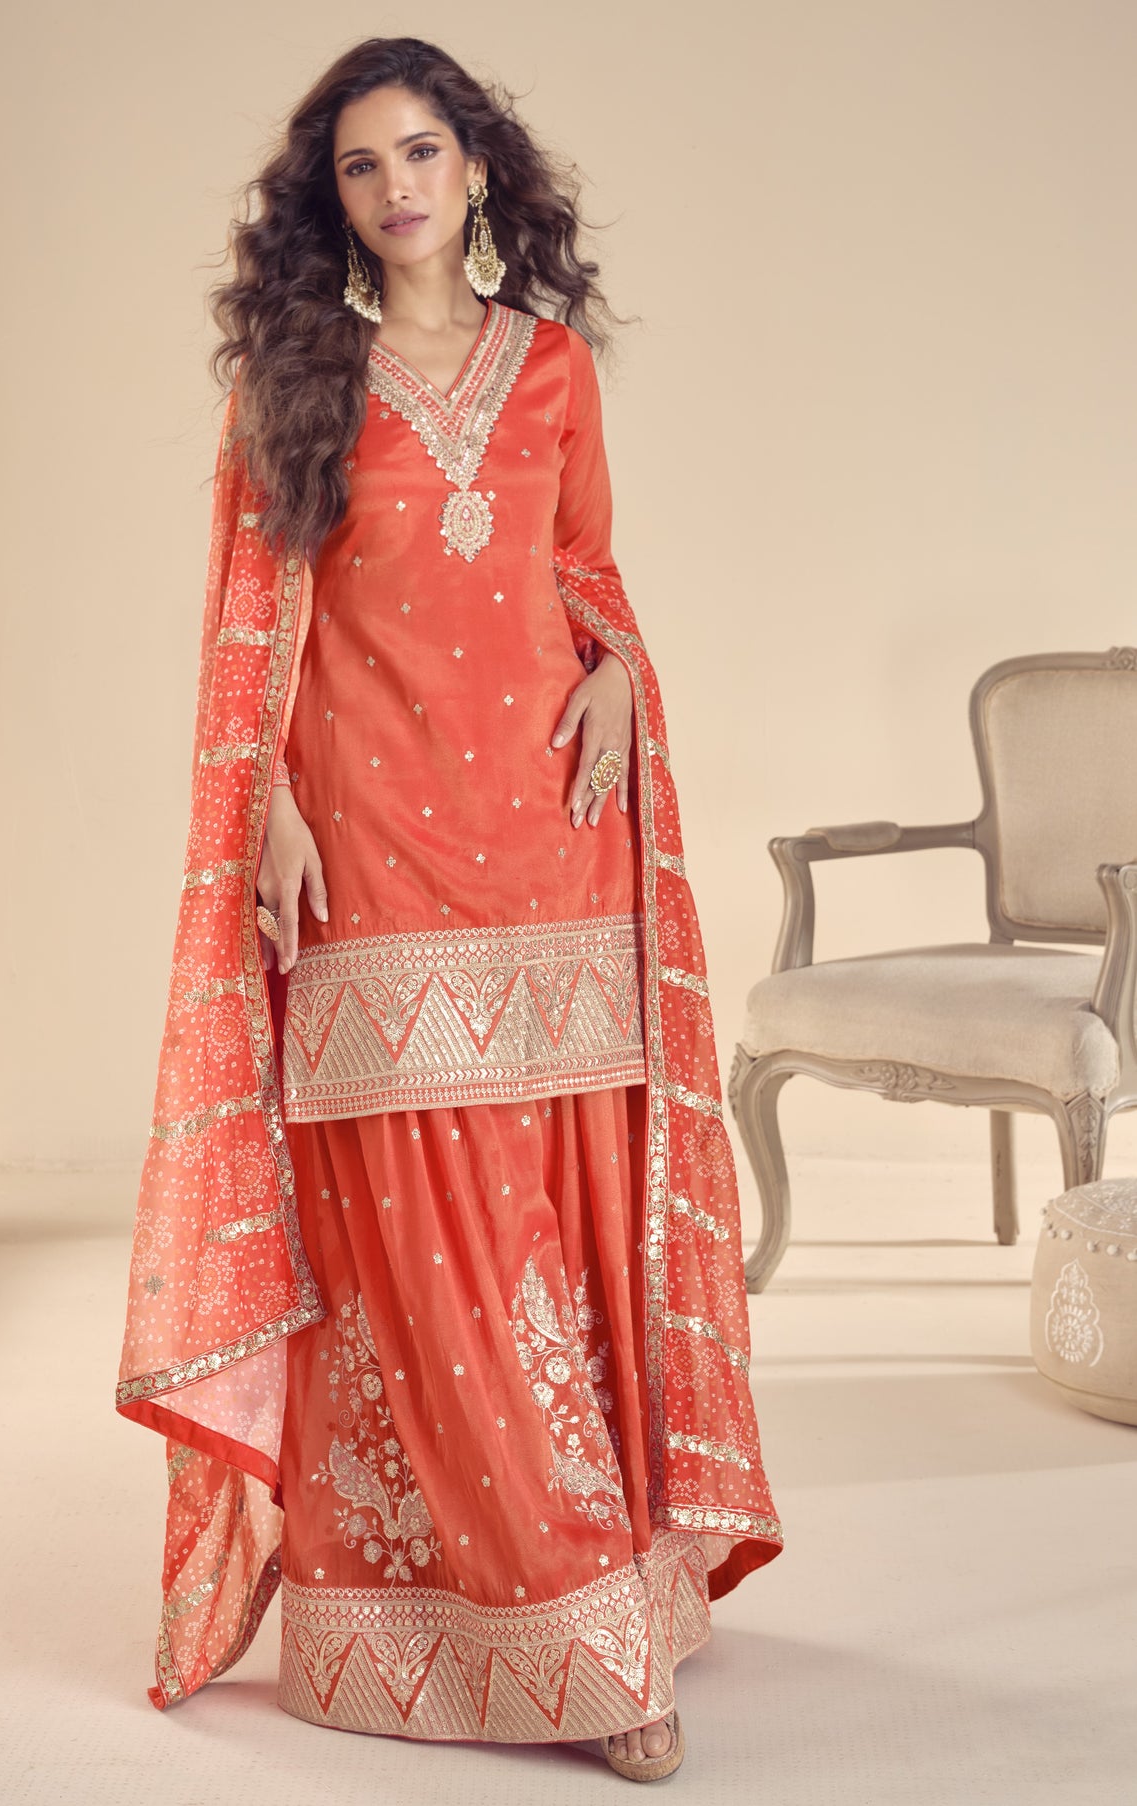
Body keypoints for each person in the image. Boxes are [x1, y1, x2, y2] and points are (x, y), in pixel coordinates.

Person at [116, 36, 781, 1784]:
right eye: (360, 163)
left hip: (549, 847)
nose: (397, 185)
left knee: (549, 1235)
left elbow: (585, 571)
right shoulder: (295, 374)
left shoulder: (550, 369)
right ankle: (577, 1644)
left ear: (476, 169)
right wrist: (257, 807)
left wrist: (624, 680)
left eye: (422, 151)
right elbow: (250, 620)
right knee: (430, 1250)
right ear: (326, 199)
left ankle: (587, 1591)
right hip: (367, 847)